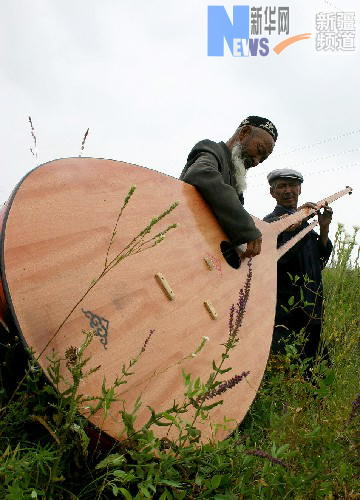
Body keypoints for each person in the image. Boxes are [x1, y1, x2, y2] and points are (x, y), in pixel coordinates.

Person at [180, 116, 277, 258]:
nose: (256, 162)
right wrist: (247, 229)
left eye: (263, 159)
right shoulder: (211, 150)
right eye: (259, 150)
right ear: (244, 133)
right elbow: (200, 174)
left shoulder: (236, 183)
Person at [263, 168, 333, 360]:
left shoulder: (307, 227)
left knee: (315, 366)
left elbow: (319, 262)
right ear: (272, 193)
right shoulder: (270, 225)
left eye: (293, 185)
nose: (288, 191)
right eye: (282, 186)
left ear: (300, 189)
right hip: (285, 312)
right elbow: (279, 259)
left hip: (312, 308)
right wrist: (300, 222)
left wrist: (324, 227)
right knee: (286, 364)